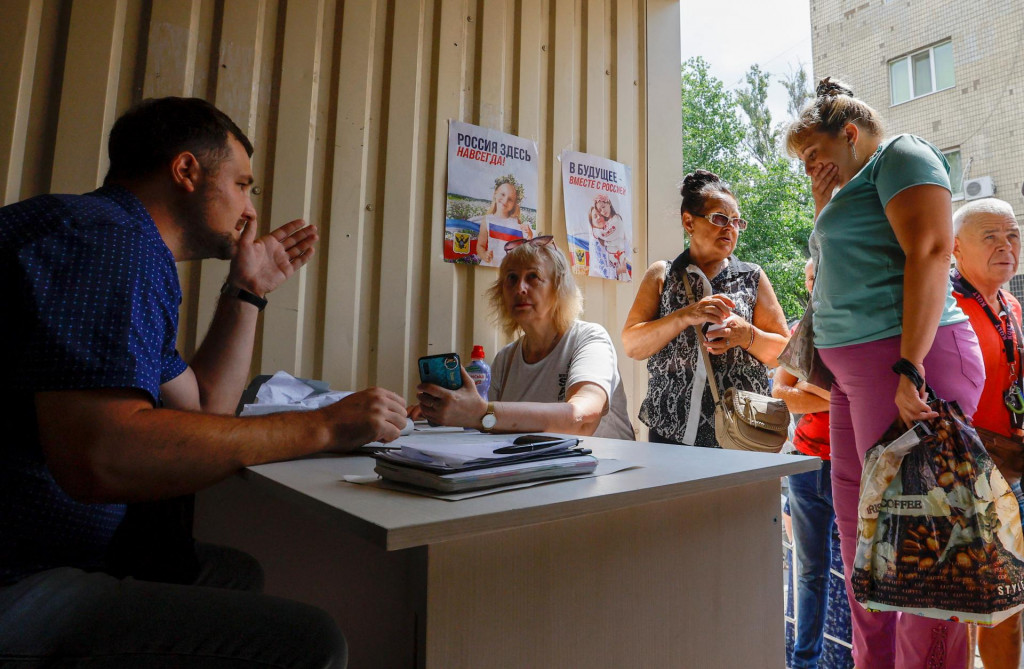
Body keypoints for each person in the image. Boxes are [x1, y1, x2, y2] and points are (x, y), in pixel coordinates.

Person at [0, 97, 410, 668]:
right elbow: (101, 455)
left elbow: (204, 409)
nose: (249, 209)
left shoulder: (109, 239)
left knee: (232, 574)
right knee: (312, 643)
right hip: (17, 578)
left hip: (43, 553)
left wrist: (249, 289)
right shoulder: (112, 243)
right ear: (187, 171)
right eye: (242, 185)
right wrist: (321, 426)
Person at [785, 77, 983, 669]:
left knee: (919, 555)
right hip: (853, 380)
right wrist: (824, 210)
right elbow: (837, 274)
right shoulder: (847, 192)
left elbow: (929, 249)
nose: (811, 170)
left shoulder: (901, 154)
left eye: (815, 156)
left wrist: (910, 367)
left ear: (850, 135)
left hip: (908, 367)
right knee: (862, 549)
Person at [621, 169, 789, 447]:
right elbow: (632, 345)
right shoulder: (663, 275)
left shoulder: (753, 277)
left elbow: (784, 355)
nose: (730, 228)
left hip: (742, 433)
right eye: (720, 218)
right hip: (671, 431)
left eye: (736, 222)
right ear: (689, 222)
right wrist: (685, 316)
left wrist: (745, 334)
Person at [416, 236, 634, 440]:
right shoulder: (506, 358)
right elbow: (488, 424)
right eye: (511, 278)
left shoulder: (590, 339)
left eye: (533, 277)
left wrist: (481, 412)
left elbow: (581, 419)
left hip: (607, 474)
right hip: (543, 473)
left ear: (558, 289)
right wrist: (444, 412)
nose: (520, 288)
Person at [950, 198, 1024, 669]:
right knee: (983, 605)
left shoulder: (1012, 303)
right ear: (954, 248)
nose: (1006, 245)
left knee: (1006, 605)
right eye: (990, 236)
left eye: (1012, 235)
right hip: (965, 473)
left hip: (1011, 467)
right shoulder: (944, 307)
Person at [774, 259, 850, 669]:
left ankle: (850, 659)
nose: (813, 284)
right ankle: (805, 661)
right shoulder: (802, 331)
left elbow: (869, 401)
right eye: (809, 278)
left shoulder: (861, 330)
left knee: (853, 571)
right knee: (808, 572)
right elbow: (782, 392)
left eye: (819, 275)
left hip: (850, 469)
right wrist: (839, 397)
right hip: (806, 466)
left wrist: (812, 389)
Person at [474, 174, 533, 266]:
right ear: (495, 194)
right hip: (491, 265)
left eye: (510, 199)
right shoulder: (488, 220)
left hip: (508, 266)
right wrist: (484, 254)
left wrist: (529, 233)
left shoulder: (515, 221)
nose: (505, 200)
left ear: (514, 204)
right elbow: (480, 246)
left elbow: (524, 242)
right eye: (503, 194)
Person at [589, 193, 630, 279]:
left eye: (600, 215)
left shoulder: (613, 224)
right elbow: (601, 270)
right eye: (595, 216)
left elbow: (625, 247)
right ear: (591, 222)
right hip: (599, 282)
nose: (599, 217)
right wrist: (619, 270)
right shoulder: (595, 240)